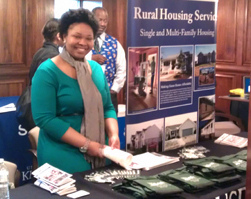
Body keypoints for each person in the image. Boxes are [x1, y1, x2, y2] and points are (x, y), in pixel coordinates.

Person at [31, 8, 120, 174]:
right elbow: (45, 119)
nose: (83, 42)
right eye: (77, 36)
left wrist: (114, 134)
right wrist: (86, 144)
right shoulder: (47, 71)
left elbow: (107, 107)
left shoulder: (96, 69)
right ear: (63, 36)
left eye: (89, 38)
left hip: (100, 149)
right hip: (61, 153)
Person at [86, 7, 126, 114]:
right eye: (100, 20)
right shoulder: (83, 41)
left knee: (110, 128)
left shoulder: (115, 43)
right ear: (92, 19)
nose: (103, 24)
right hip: (86, 96)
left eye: (105, 21)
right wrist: (90, 58)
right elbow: (73, 62)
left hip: (109, 96)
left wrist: (114, 89)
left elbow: (122, 68)